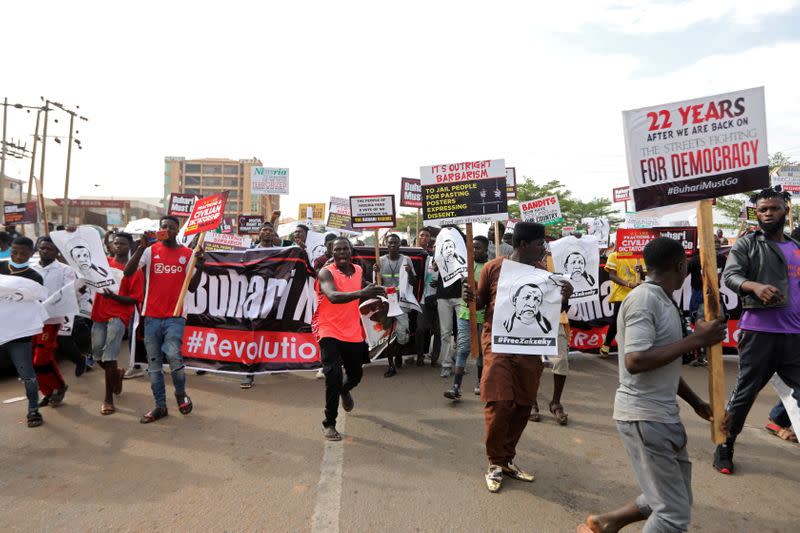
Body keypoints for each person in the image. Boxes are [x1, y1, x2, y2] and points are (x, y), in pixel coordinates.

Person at [577, 237, 725, 533]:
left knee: (675, 495)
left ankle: (608, 522)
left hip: (663, 415)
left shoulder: (662, 299)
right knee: (672, 513)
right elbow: (636, 360)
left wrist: (697, 403)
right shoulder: (644, 299)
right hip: (644, 417)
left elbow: (663, 362)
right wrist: (697, 340)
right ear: (681, 266)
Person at [465, 222, 572, 493]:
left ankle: (507, 459)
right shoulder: (493, 268)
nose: (543, 249)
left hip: (531, 351)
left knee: (523, 404)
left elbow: (551, 309)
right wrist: (469, 297)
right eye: (539, 244)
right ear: (523, 245)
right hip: (498, 347)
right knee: (499, 402)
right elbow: (478, 303)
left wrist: (564, 296)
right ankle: (494, 463)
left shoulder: (544, 274)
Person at [713, 187, 800, 475]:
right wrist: (755, 287)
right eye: (762, 210)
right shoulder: (748, 244)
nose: (767, 214)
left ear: (785, 210)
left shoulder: (796, 246)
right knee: (745, 393)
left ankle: (781, 423)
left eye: (773, 208)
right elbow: (731, 275)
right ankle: (725, 445)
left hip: (794, 335)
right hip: (760, 331)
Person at [124, 215, 204, 424]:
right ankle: (160, 406)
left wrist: (201, 264)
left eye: (170, 227)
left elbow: (193, 286)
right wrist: (140, 248)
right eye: (163, 226)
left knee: (174, 356)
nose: (166, 229)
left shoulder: (187, 254)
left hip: (175, 316)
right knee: (154, 365)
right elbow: (127, 272)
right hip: (151, 317)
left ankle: (180, 393)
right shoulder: (150, 251)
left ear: (178, 231)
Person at [314, 237, 385, 441]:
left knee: (355, 376)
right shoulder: (326, 272)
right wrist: (362, 292)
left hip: (352, 331)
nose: (342, 253)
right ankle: (329, 423)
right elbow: (333, 296)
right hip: (328, 331)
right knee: (333, 376)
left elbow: (360, 286)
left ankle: (345, 391)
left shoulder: (358, 269)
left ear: (351, 251)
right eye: (338, 250)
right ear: (332, 253)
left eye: (345, 249)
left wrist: (374, 290)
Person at [91, 232, 143, 415]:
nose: (118, 246)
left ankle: (108, 398)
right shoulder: (103, 263)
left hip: (118, 316)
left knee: (110, 357)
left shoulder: (135, 271)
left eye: (123, 243)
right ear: (111, 245)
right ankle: (117, 374)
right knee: (98, 355)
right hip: (99, 314)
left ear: (130, 247)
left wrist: (115, 297)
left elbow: (134, 299)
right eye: (116, 243)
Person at [0, 237, 45, 427]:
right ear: (10, 250)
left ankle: (33, 410)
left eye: (23, 253)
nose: (18, 257)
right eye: (14, 252)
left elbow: (37, 303)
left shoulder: (35, 277)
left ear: (31, 253)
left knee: (27, 374)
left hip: (20, 335)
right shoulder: (1, 268)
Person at [31, 236, 75, 407]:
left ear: (57, 251)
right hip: (31, 319)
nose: (45, 251)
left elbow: (68, 295)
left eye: (50, 249)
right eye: (42, 248)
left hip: (51, 319)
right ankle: (48, 392)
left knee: (41, 358)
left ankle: (59, 386)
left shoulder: (65, 270)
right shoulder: (30, 268)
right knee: (34, 358)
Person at [444, 235, 488, 400]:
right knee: (462, 349)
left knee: (482, 351)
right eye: (473, 247)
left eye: (478, 248)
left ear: (486, 249)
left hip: (483, 315)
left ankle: (480, 382)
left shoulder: (490, 267)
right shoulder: (465, 265)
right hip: (465, 313)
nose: (475, 251)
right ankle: (456, 386)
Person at [376, 233, 416, 377]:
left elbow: (413, 282)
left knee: (402, 336)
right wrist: (376, 273)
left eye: (395, 243)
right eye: (390, 243)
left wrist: (410, 272)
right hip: (386, 302)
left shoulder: (407, 260)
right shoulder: (379, 261)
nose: (393, 246)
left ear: (400, 245)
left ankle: (398, 354)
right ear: (386, 245)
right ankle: (391, 365)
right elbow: (376, 285)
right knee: (387, 337)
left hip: (402, 302)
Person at [686, 237, 727, 367]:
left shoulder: (722, 259)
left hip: (715, 295)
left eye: (718, 244)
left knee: (717, 323)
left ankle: (713, 356)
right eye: (713, 244)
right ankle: (702, 356)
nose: (716, 246)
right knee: (700, 325)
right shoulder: (696, 260)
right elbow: (682, 274)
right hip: (699, 295)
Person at [599, 248, 645, 358]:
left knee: (636, 321)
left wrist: (641, 272)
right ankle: (607, 344)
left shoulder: (639, 256)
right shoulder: (614, 255)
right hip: (621, 295)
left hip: (637, 294)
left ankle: (631, 348)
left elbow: (644, 277)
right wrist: (628, 284)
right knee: (617, 322)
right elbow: (612, 276)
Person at [434, 227, 467, 378]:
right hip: (443, 296)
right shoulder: (439, 253)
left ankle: (460, 363)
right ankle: (446, 364)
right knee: (445, 332)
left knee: (462, 332)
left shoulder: (463, 255)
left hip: (460, 296)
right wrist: (438, 253)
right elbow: (434, 268)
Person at [415, 228, 440, 367]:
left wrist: (440, 283)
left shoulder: (448, 262)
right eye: (421, 235)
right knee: (420, 329)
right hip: (424, 300)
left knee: (438, 331)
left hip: (440, 301)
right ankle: (419, 356)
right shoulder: (424, 259)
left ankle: (435, 358)